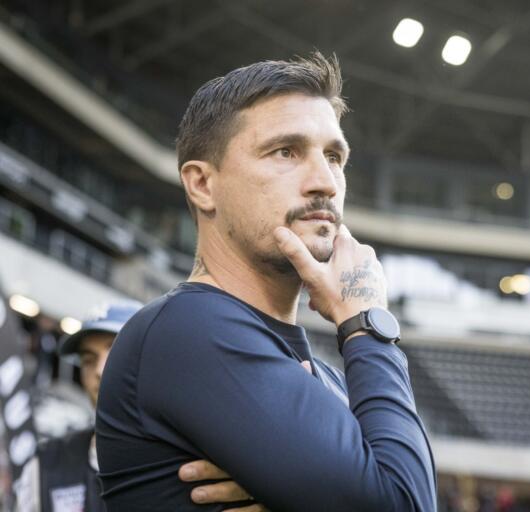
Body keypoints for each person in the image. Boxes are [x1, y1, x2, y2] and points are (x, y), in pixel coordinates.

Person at [96, 52, 437, 511]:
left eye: (334, 157)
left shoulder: (327, 377)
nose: (325, 183)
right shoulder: (187, 329)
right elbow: (405, 503)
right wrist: (368, 321)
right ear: (202, 185)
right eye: (285, 152)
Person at [13, 302, 260, 512]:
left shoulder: (204, 469)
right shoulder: (46, 462)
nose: (99, 370)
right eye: (88, 359)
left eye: (117, 351)